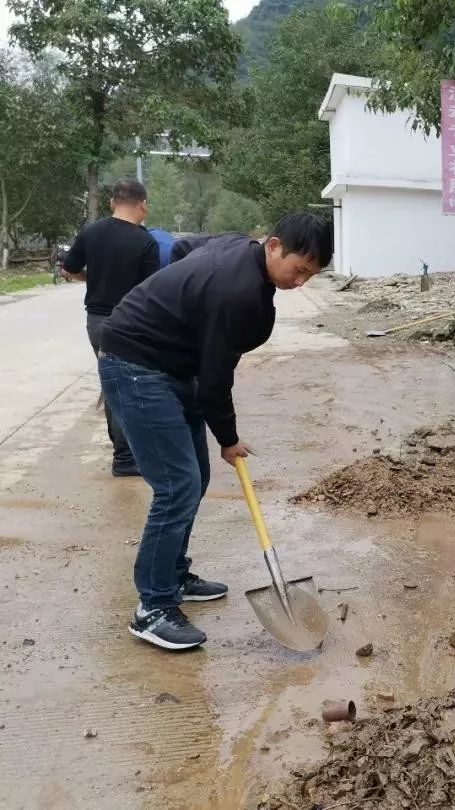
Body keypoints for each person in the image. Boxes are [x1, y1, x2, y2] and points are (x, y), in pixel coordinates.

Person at [97, 212, 333, 651]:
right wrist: (228, 438)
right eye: (299, 269)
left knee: (195, 479)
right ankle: (152, 607)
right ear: (275, 245)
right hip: (135, 365)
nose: (300, 282)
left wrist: (179, 303)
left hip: (168, 366)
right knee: (177, 485)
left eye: (310, 276)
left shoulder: (238, 246)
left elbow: (184, 250)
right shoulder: (238, 294)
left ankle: (173, 574)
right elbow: (215, 380)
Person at [63, 178, 161, 476]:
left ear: (112, 203)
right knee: (129, 388)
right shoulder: (145, 242)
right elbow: (151, 292)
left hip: (97, 322)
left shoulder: (91, 232)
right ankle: (126, 458)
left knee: (113, 385)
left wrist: (91, 279)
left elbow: (68, 269)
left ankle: (125, 455)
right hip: (130, 323)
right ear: (142, 204)